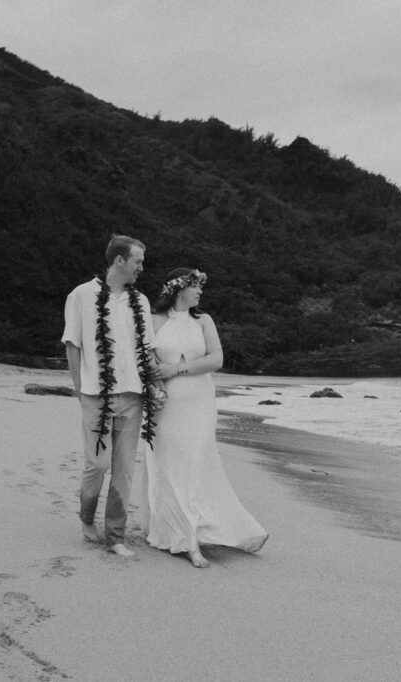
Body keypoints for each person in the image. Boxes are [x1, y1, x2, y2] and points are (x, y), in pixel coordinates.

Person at [147, 267, 268, 568]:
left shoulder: (204, 321)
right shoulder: (154, 320)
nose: (200, 291)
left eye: (201, 287)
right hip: (167, 404)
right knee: (169, 465)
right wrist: (156, 384)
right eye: (196, 286)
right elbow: (146, 360)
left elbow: (217, 359)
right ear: (178, 289)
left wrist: (175, 369)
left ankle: (194, 532)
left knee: (195, 464)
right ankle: (180, 535)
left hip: (200, 402)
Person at [61, 235, 159, 557]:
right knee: (97, 464)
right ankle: (87, 516)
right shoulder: (81, 296)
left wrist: (155, 385)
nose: (141, 268)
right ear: (119, 260)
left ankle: (115, 535)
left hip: (133, 394)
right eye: (137, 261)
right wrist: (80, 388)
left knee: (124, 468)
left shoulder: (140, 302)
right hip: (95, 394)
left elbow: (147, 350)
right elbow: (73, 345)